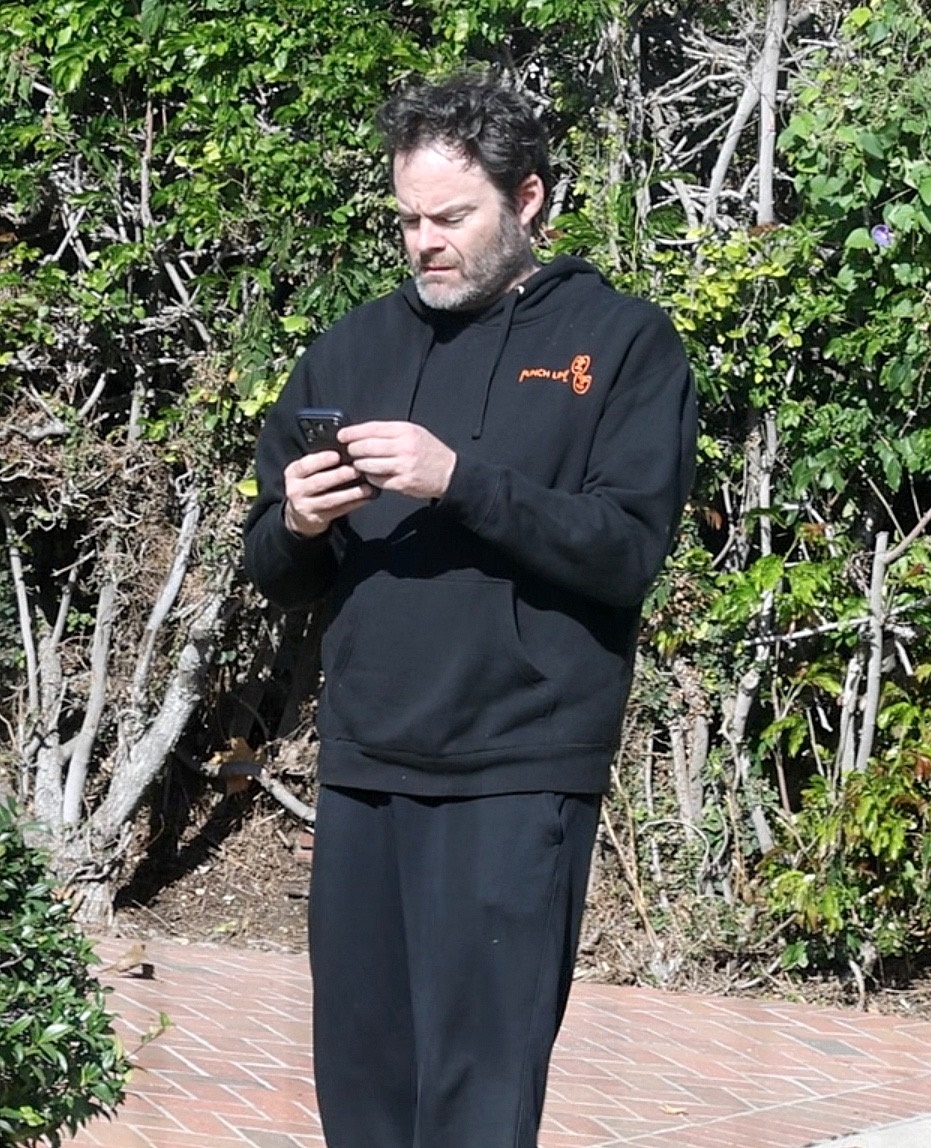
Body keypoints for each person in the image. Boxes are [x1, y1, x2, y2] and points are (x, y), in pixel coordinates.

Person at [243, 72, 697, 1148]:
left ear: (527, 198)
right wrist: (296, 523)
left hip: (517, 765)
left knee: (476, 1106)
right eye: (408, 219)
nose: (424, 242)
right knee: (361, 1095)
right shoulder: (351, 349)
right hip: (364, 763)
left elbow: (626, 548)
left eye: (451, 217)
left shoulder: (623, 343)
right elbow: (272, 568)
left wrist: (460, 478)